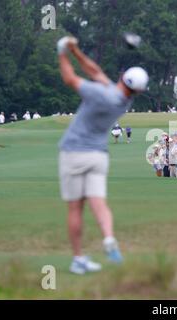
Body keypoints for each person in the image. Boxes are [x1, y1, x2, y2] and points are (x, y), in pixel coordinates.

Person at [57, 35, 149, 274]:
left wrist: (62, 53)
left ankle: (78, 259)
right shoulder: (121, 100)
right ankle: (108, 238)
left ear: (122, 77)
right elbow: (95, 71)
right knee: (99, 202)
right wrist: (76, 51)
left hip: (74, 151)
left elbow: (69, 78)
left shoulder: (102, 94)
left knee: (76, 208)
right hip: (98, 155)